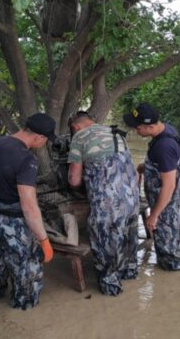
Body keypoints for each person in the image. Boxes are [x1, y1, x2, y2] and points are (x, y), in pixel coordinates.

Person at [0, 113, 56, 310]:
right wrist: (44, 240)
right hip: (16, 225)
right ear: (39, 137)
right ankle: (23, 314)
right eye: (46, 139)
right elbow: (29, 206)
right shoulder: (27, 159)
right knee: (26, 275)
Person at [67, 111, 139, 296]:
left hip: (108, 203)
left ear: (75, 126)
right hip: (132, 199)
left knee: (105, 240)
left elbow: (74, 180)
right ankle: (129, 273)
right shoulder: (116, 133)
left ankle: (110, 286)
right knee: (127, 235)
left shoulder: (79, 137)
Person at [123, 103, 180, 271]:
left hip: (168, 210)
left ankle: (170, 291)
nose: (135, 131)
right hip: (171, 205)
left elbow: (169, 185)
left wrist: (154, 215)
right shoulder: (166, 131)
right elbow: (168, 167)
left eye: (137, 128)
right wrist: (145, 167)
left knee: (170, 258)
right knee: (168, 249)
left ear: (150, 126)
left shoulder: (164, 146)